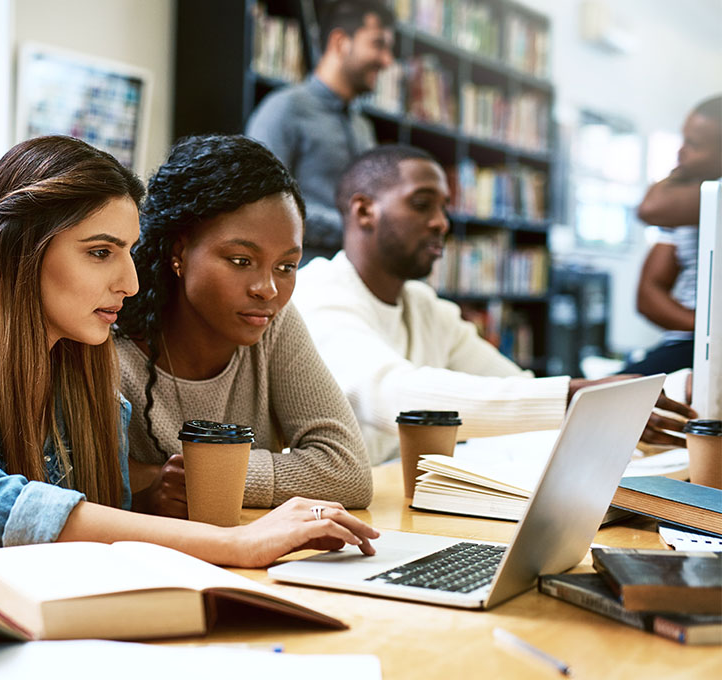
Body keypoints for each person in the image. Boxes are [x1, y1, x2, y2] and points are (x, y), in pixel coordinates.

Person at [0, 135, 379, 580]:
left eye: (127, 250)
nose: (130, 281)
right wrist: (232, 543)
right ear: (18, 250)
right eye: (101, 252)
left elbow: (104, 525)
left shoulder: (80, 365)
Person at [294, 145, 696, 464]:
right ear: (364, 211)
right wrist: (576, 397)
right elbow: (396, 398)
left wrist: (677, 387)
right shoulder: (317, 294)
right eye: (421, 204)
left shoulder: (424, 306)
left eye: (444, 207)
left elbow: (516, 390)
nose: (442, 223)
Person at [113, 135, 371, 519]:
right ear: (179, 251)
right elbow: (83, 481)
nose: (267, 290)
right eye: (240, 260)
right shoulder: (107, 341)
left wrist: (202, 478)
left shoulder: (273, 323)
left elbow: (348, 473)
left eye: (286, 267)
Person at [246, 0, 395, 264]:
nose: (386, 61)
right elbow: (262, 202)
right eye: (377, 44)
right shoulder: (283, 110)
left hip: (356, 278)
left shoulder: (363, 127)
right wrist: (354, 227)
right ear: (340, 41)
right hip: (302, 282)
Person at [627, 95, 722, 375]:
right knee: (608, 392)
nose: (682, 151)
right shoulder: (683, 205)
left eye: (694, 145)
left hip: (702, 347)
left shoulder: (709, 195)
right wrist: (707, 328)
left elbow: (649, 207)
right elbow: (648, 294)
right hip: (691, 342)